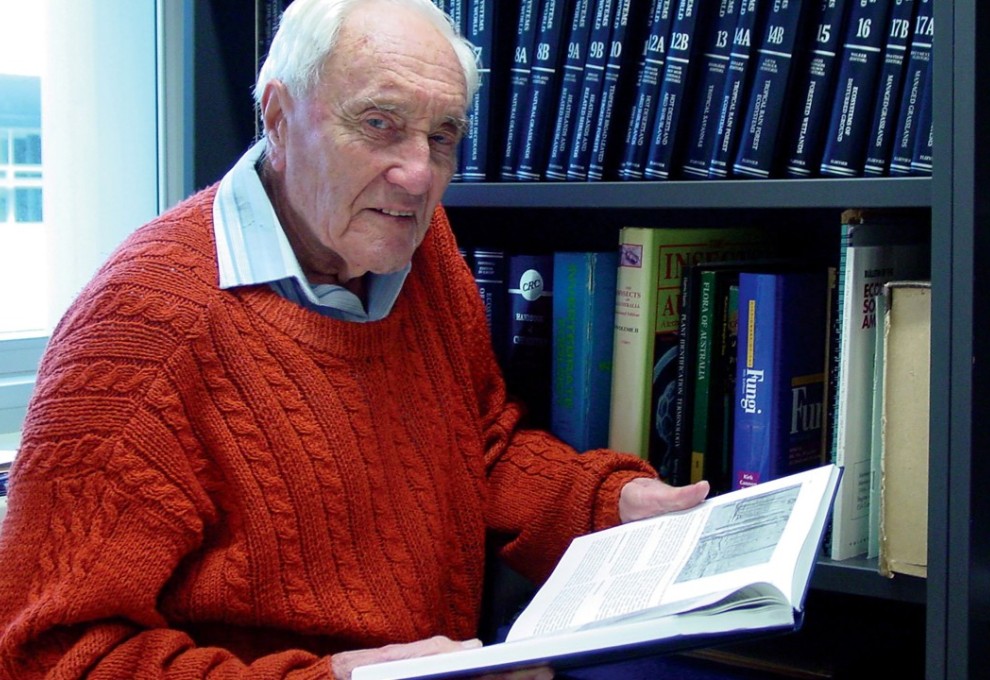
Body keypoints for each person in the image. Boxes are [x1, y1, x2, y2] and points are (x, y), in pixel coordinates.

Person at [0, 0, 709, 678]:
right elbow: (50, 657)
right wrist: (332, 677)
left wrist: (606, 507)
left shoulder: (418, 245)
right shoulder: (146, 326)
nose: (419, 174)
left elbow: (478, 444)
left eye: (443, 136)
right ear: (278, 118)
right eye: (379, 123)